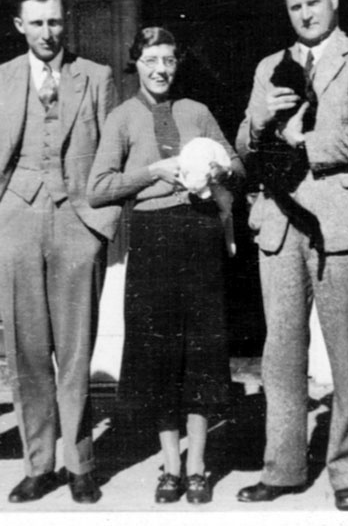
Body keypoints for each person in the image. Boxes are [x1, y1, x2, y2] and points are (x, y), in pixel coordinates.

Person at [234, 0, 348, 511]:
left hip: (341, 222)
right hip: (280, 224)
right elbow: (244, 146)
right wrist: (260, 119)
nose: (305, 14)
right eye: (295, 6)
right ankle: (282, 468)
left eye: (313, 2)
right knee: (280, 353)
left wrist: (303, 141)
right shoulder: (269, 67)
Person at [0, 0, 119, 505]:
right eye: (36, 22)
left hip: (77, 223)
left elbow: (113, 155)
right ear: (20, 26)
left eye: (54, 21)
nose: (47, 32)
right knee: (27, 352)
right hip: (14, 220)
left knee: (75, 352)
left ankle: (80, 465)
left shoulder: (96, 77)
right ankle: (39, 464)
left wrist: (101, 224)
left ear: (66, 21)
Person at [87, 27, 244, 505]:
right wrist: (151, 172)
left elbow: (238, 166)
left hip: (200, 234)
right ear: (136, 63)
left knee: (200, 351)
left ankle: (197, 465)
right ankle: (171, 464)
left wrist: (219, 167)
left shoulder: (196, 111)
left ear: (178, 64)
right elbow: (98, 188)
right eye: (151, 60)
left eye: (169, 60)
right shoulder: (122, 118)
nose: (161, 69)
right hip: (153, 238)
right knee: (159, 354)